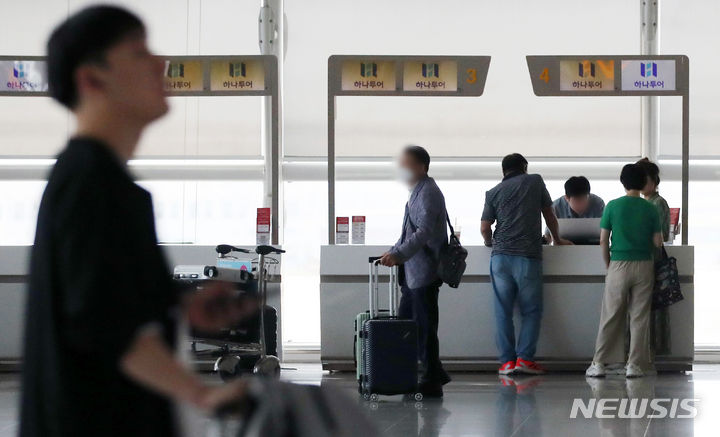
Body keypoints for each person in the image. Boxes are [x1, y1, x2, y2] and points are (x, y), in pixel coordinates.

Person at [21, 7, 249, 437]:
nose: (160, 64)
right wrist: (203, 395)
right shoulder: (91, 183)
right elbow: (105, 328)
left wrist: (178, 310)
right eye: (140, 52)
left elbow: (111, 303)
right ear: (93, 79)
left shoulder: (97, 179)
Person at [480, 153, 572, 376]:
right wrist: (557, 239)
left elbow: (484, 227)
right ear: (524, 168)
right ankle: (525, 359)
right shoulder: (534, 181)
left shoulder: (492, 192)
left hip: (499, 259)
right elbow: (549, 215)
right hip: (526, 257)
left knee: (503, 312)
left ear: (504, 171)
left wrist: (492, 243)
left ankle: (506, 363)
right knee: (530, 311)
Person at [379, 145, 451, 398]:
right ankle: (431, 372)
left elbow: (424, 232)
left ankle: (431, 379)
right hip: (413, 273)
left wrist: (398, 254)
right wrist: (392, 251)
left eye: (406, 164)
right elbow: (408, 233)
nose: (402, 170)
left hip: (424, 273)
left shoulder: (428, 192)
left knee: (423, 326)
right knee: (409, 324)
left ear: (421, 166)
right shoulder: (416, 193)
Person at [586, 164, 663, 378]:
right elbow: (658, 242)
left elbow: (603, 240)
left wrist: (609, 265)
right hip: (644, 265)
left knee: (611, 315)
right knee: (639, 317)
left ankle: (599, 363)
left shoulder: (612, 206)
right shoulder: (651, 208)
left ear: (623, 182)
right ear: (643, 182)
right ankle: (634, 365)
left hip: (618, 264)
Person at [636, 157, 672, 356]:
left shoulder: (657, 203)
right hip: (647, 258)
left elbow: (661, 234)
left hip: (651, 259)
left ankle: (651, 351)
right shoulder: (646, 202)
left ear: (653, 180)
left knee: (651, 306)